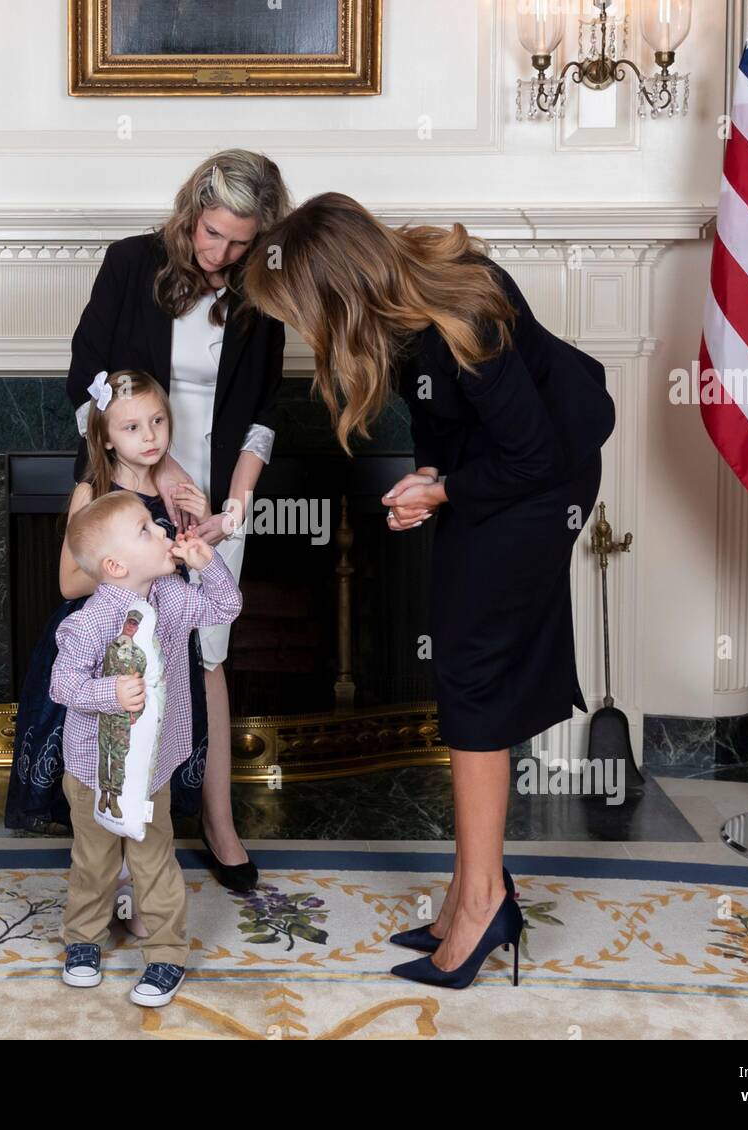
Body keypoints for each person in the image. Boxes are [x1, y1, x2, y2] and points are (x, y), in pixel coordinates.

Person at [243, 192, 616, 990]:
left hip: (544, 486)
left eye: (301, 313)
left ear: (335, 292)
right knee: (459, 667)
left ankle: (483, 901)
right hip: (504, 478)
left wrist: (445, 494)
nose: (305, 334)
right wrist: (430, 477)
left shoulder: (465, 314)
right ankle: (471, 891)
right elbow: (449, 427)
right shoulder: (405, 312)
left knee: (472, 679)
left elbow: (534, 456)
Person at [65, 150, 292, 891]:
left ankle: (218, 820)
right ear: (191, 209)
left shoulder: (263, 293)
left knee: (209, 653)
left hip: (214, 505)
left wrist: (235, 507)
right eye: (210, 231)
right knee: (124, 651)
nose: (218, 252)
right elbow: (83, 385)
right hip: (131, 488)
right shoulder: (131, 264)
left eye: (237, 241)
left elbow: (262, 417)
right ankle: (118, 821)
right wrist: (156, 469)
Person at [4, 369, 209, 937]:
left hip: (161, 648)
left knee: (150, 769)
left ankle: (146, 895)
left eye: (158, 421)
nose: (150, 436)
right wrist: (128, 575)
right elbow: (72, 582)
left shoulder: (173, 483)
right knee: (105, 768)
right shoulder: (92, 491)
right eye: (133, 426)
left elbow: (188, 559)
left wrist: (204, 524)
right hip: (104, 646)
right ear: (106, 436)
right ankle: (105, 890)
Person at [51, 489, 242, 1007]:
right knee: (93, 860)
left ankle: (165, 953)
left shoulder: (174, 598)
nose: (162, 531)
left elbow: (227, 605)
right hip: (94, 769)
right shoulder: (89, 622)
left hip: (150, 768)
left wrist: (209, 564)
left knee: (153, 860)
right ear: (114, 565)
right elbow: (62, 686)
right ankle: (83, 941)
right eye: (146, 530)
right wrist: (107, 694)